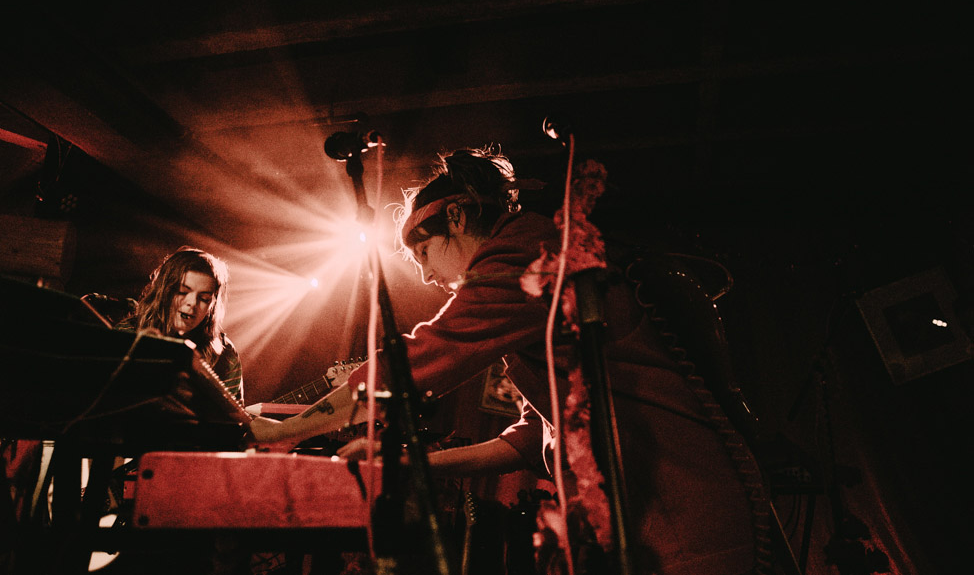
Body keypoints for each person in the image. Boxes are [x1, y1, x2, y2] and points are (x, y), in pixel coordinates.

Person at [251, 148, 762, 575]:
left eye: (424, 253)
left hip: (681, 514)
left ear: (455, 217)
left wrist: (279, 432)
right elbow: (527, 440)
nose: (427, 276)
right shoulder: (534, 270)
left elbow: (422, 359)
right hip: (659, 515)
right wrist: (409, 465)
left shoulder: (527, 257)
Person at [118, 245, 243, 403]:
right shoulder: (125, 334)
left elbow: (232, 424)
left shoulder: (226, 356)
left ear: (213, 305)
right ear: (164, 291)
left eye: (204, 298)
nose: (192, 303)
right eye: (183, 292)